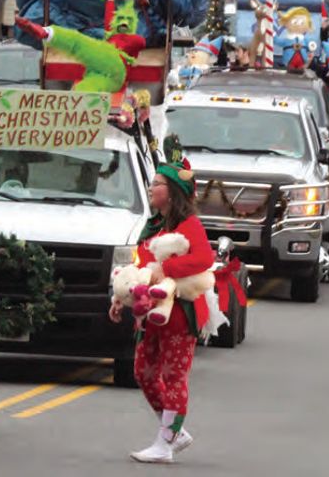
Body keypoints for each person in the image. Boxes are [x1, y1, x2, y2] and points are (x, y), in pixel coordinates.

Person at [109, 159, 214, 464]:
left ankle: (165, 443)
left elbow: (204, 259)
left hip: (180, 313)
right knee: (143, 371)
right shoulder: (154, 225)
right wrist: (122, 297)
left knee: (173, 376)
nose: (151, 188)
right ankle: (174, 431)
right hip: (150, 312)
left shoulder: (189, 225)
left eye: (157, 183)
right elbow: (140, 268)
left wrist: (164, 268)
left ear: (173, 193)